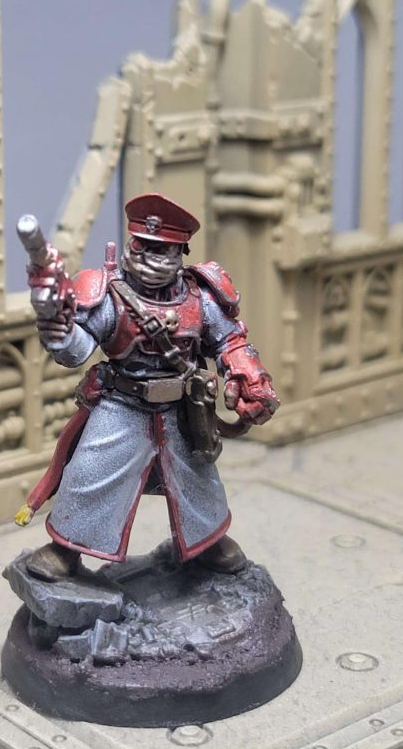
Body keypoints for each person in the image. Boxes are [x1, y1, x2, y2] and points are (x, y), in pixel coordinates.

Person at [22, 193, 280, 581]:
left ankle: (208, 542)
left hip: (182, 408)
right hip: (122, 405)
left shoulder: (201, 295)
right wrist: (58, 330)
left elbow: (229, 340)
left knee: (197, 477)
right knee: (90, 473)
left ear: (180, 252)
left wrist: (249, 380)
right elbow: (77, 351)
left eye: (161, 250)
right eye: (142, 246)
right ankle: (67, 549)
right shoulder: (108, 292)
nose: (149, 257)